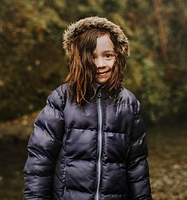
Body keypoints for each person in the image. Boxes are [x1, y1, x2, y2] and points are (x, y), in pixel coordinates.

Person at [23, 16, 153, 200]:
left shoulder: (129, 104)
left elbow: (137, 165)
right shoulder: (61, 99)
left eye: (107, 55)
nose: (100, 64)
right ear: (79, 59)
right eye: (92, 57)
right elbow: (40, 159)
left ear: (118, 56)